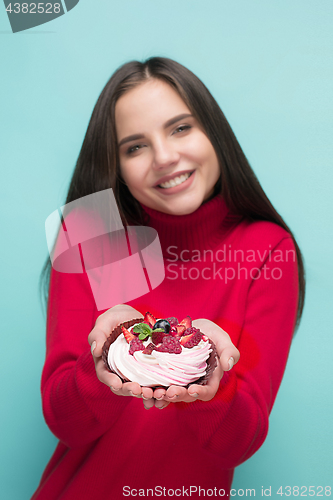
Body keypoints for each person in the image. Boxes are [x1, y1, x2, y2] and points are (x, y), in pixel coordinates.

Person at [33, 57, 305, 499]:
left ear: (214, 133)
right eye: (134, 147)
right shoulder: (95, 232)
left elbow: (238, 441)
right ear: (115, 164)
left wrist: (212, 391)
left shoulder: (265, 248)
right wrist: (96, 370)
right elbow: (66, 423)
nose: (164, 157)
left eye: (181, 128)